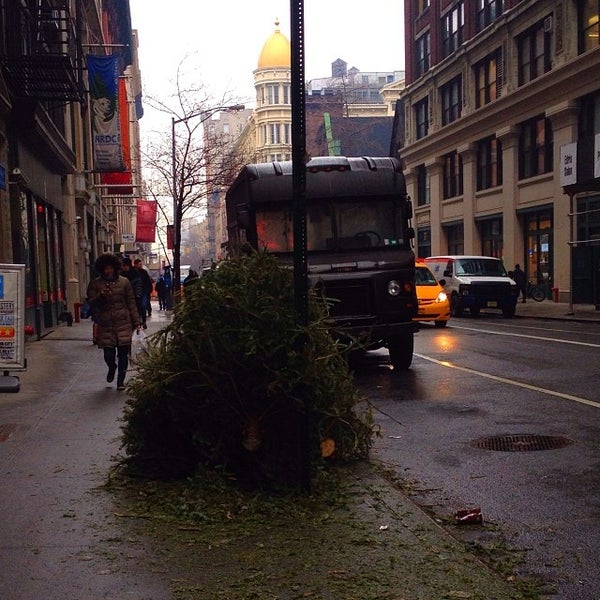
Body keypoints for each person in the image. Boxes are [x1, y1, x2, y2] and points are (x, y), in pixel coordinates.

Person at [87, 253, 140, 390]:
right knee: (108, 354)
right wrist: (101, 296)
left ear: (115, 268)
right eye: (105, 268)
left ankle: (120, 381)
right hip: (106, 323)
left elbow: (131, 302)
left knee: (123, 353)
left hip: (123, 322)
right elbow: (91, 303)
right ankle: (112, 367)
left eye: (110, 268)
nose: (108, 271)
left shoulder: (124, 282)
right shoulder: (96, 284)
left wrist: (137, 322)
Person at [121, 257, 145, 328]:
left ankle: (140, 322)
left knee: (138, 308)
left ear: (127, 265)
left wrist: (138, 295)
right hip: (124, 297)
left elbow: (138, 284)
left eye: (123, 265)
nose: (122, 267)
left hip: (134, 296)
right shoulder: (121, 273)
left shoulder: (135, 273)